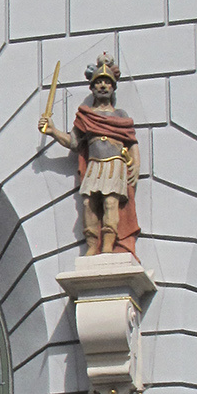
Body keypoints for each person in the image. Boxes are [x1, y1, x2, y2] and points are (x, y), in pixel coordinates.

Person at [39, 52, 140, 256]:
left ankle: (108, 247)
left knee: (111, 202)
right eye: (99, 83)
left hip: (115, 164)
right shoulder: (86, 115)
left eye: (107, 83)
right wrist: (53, 131)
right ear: (92, 88)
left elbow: (131, 141)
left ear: (112, 88)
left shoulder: (120, 115)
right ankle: (92, 245)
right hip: (95, 164)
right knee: (88, 203)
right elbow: (75, 142)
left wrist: (136, 164)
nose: (103, 86)